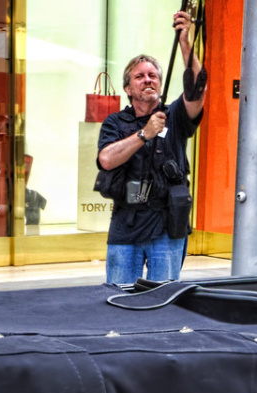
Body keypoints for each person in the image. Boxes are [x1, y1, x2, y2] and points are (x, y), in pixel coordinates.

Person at [96, 10, 205, 286]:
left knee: (163, 301)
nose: (148, 80)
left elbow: (197, 90)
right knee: (119, 297)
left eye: (154, 75)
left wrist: (184, 42)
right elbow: (106, 160)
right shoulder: (115, 122)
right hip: (126, 223)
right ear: (128, 88)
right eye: (140, 76)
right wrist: (144, 134)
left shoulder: (176, 115)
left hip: (168, 225)